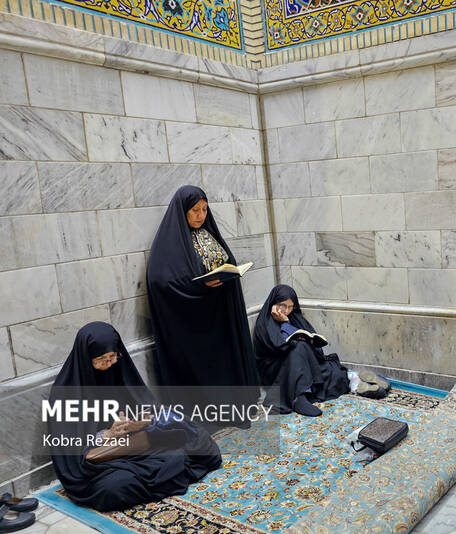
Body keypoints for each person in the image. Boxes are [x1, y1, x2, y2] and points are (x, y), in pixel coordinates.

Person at [48, 322, 221, 511]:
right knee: (112, 489)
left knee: (200, 443)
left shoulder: (118, 369)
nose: (108, 364)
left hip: (136, 446)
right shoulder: (65, 393)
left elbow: (149, 408)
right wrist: (106, 435)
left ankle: (162, 476)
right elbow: (70, 453)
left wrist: (141, 422)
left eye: (112, 357)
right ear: (85, 358)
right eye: (100, 359)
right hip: (101, 465)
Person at [146, 185, 259, 427]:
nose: (201, 215)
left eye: (205, 209)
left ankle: (234, 411)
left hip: (220, 315)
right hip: (195, 323)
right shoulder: (171, 243)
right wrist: (198, 286)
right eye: (195, 210)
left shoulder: (208, 233)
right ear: (182, 211)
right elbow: (160, 280)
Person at [253, 285, 350, 416]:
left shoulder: (294, 316)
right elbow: (280, 346)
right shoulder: (266, 322)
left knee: (336, 374)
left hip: (297, 365)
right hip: (274, 367)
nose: (286, 310)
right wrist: (285, 323)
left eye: (290, 306)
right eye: (282, 305)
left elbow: (311, 341)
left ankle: (362, 383)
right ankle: (298, 397)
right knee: (299, 347)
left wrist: (310, 341)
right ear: (274, 304)